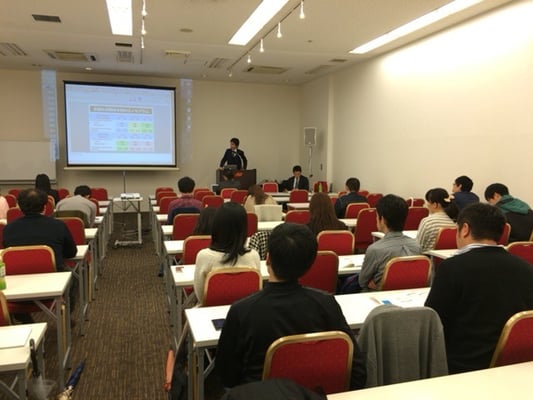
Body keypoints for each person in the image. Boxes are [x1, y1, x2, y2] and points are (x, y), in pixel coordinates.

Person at [215, 223, 367, 390]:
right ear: (309, 264)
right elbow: (356, 367)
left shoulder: (242, 311)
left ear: (268, 259)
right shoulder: (326, 303)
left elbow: (226, 375)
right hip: (314, 393)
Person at [425, 203, 533, 373]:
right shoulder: (525, 268)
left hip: (463, 365)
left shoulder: (452, 268)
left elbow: (433, 320)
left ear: (465, 229)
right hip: (515, 364)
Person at [342, 194, 420, 293]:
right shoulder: (416, 246)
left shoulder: (375, 249)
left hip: (378, 295)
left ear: (382, 219)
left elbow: (362, 282)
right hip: (409, 294)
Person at [194, 202, 260, 304]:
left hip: (211, 311)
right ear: (243, 228)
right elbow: (255, 294)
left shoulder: (204, 256)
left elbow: (201, 297)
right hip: (245, 311)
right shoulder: (254, 256)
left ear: (216, 226)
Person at [416, 188, 455, 253]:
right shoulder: (453, 222)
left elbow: (418, 247)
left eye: (428, 201)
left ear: (435, 205)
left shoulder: (427, 221)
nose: (427, 204)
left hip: (427, 257)